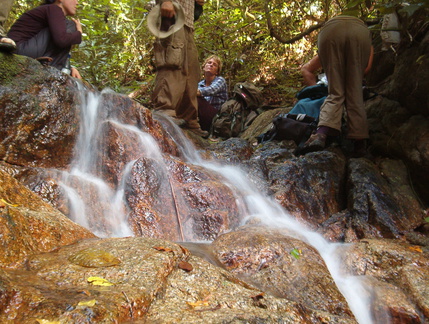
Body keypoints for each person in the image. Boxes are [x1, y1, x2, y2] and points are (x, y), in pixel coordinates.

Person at [300, 15, 374, 156]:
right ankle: (359, 144)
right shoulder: (362, 33)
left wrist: (317, 89)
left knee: (335, 92)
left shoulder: (333, 26)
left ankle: (321, 135)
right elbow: (366, 69)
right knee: (355, 94)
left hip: (330, 31)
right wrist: (353, 79)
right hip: (360, 32)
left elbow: (306, 69)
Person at [151, 0, 208, 138]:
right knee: (172, 62)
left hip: (187, 23)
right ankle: (164, 109)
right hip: (172, 17)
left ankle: (189, 119)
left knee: (192, 71)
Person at [7, 0, 82, 79]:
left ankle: (60, 68)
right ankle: (58, 69)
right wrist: (79, 33)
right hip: (19, 50)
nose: (77, 3)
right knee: (70, 26)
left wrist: (70, 68)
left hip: (22, 49)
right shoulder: (54, 9)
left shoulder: (51, 11)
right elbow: (61, 40)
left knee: (63, 28)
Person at [197, 55, 228, 131]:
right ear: (204, 67)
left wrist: (193, 92)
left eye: (214, 65)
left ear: (217, 72)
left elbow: (211, 90)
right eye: (209, 63)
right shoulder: (200, 84)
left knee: (196, 99)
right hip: (202, 115)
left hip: (215, 118)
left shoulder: (220, 81)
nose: (211, 65)